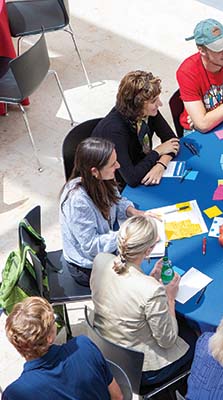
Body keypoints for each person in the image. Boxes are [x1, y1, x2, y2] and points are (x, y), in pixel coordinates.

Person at [90, 215, 195, 387]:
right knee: (196, 338)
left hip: (106, 346)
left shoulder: (101, 259)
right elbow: (167, 340)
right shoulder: (151, 290)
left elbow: (123, 288)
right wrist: (170, 298)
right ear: (148, 251)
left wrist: (149, 278)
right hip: (138, 367)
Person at [59, 137, 147, 287]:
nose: (118, 166)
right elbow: (92, 247)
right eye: (113, 164)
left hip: (107, 248)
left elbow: (116, 200)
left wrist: (133, 211)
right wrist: (127, 233)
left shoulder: (104, 178)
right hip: (87, 267)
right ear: (94, 171)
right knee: (139, 278)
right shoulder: (77, 202)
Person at [3, 297, 122, 400]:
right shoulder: (84, 346)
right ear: (49, 338)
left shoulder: (14, 394)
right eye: (53, 320)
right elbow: (118, 396)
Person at [93, 70, 179, 188]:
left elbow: (172, 141)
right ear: (137, 106)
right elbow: (131, 178)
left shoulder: (147, 112)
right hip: (115, 183)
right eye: (153, 101)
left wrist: (161, 164)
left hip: (142, 167)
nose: (160, 104)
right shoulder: (114, 130)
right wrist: (158, 151)